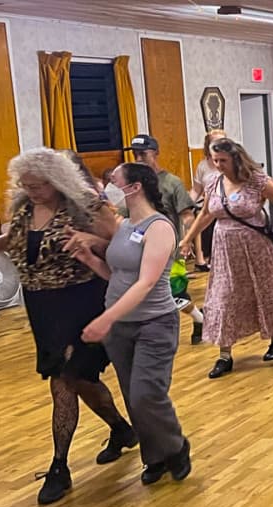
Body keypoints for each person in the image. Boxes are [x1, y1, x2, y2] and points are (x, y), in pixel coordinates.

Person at [0, 149, 135, 505]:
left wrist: (91, 243)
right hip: (42, 306)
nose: (30, 190)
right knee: (81, 380)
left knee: (64, 381)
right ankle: (121, 429)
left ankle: (59, 467)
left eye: (37, 185)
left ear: (56, 180)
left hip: (81, 299)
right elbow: (13, 242)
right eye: (25, 184)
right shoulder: (23, 208)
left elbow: (121, 244)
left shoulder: (86, 206)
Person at [66, 163, 192, 485]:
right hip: (122, 328)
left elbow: (146, 283)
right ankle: (155, 458)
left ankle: (176, 446)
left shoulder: (160, 228)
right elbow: (118, 277)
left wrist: (104, 319)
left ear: (134, 187)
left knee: (145, 394)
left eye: (114, 180)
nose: (108, 185)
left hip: (155, 324)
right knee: (131, 394)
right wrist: (90, 259)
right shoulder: (124, 227)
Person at [179, 139, 273, 378]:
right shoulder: (213, 183)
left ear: (235, 158)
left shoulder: (256, 180)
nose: (218, 165)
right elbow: (206, 214)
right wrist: (187, 238)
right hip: (225, 250)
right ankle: (224, 355)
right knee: (224, 297)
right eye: (214, 160)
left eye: (223, 161)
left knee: (263, 292)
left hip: (256, 248)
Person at [124, 133, 205, 344]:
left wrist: (187, 240)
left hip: (169, 251)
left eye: (143, 154)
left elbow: (188, 215)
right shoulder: (132, 186)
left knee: (171, 294)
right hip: (140, 250)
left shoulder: (172, 183)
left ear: (156, 154)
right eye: (135, 154)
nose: (138, 159)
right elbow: (123, 215)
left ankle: (198, 318)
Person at [189, 129, 226, 271]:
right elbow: (196, 190)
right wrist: (186, 206)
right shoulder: (202, 166)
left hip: (225, 206)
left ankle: (216, 258)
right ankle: (200, 258)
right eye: (214, 142)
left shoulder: (231, 163)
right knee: (196, 215)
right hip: (208, 204)